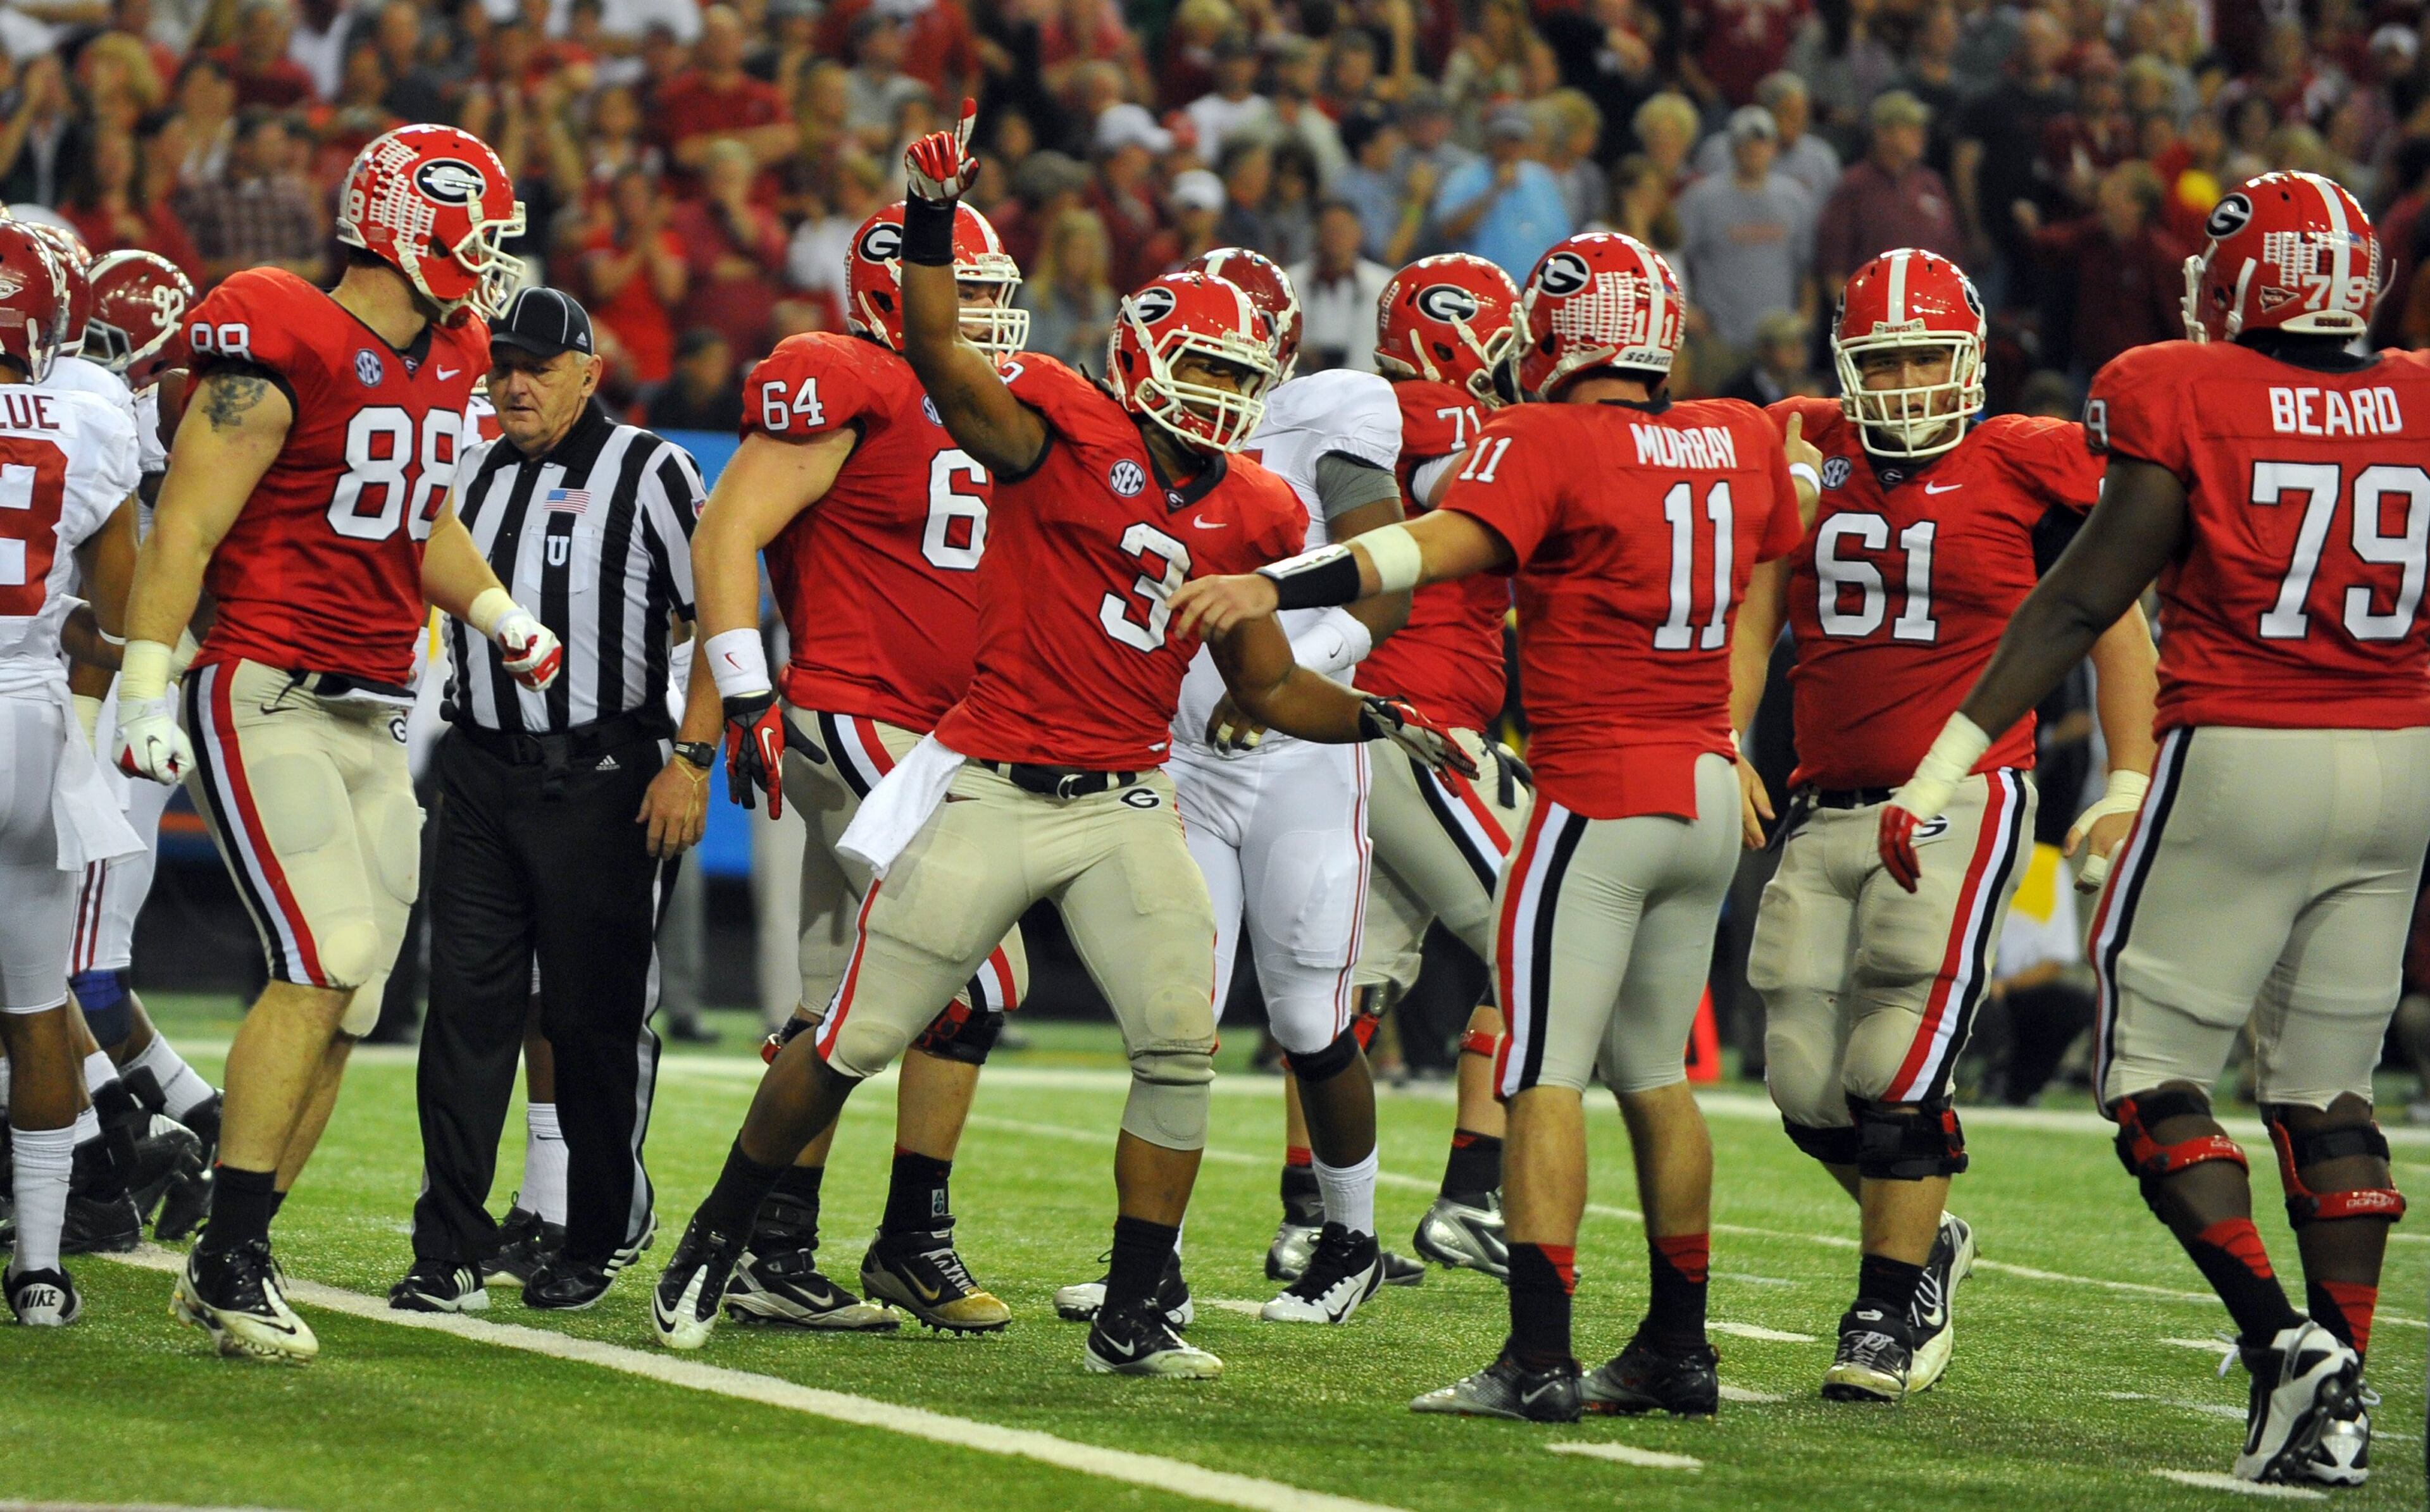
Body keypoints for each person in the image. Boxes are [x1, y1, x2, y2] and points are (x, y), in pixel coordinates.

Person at [652, 107, 1464, 1377]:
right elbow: (935, 344)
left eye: (1239, 383)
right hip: (991, 778)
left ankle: (1137, 1310)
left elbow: (1264, 686)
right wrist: (930, 215)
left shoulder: (1254, 502)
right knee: (859, 1032)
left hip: (1128, 798)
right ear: (1144, 355)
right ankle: (721, 1229)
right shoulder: (1052, 426)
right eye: (1198, 370)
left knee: (1178, 1044)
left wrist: (1387, 719)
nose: (1215, 400)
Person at [1169, 230, 1819, 1421]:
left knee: (1544, 1077)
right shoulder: (1736, 436)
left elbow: (1426, 549)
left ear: (1563, 333)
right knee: (1661, 1079)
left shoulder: (1542, 436)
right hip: (1707, 792)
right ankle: (1680, 1348)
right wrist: (1731, 723)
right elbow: (1778, 547)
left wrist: (1278, 584)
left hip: (1600, 793)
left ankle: (1537, 1358)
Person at [1877, 171, 2426, 1487]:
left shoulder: (2183, 384)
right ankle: (2336, 1385)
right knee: (2327, 1088)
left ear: (2254, 279)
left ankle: (2284, 1344)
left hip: (2245, 745)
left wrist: (1942, 763)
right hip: (2404, 759)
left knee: (2154, 1073)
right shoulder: (2418, 390)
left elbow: (2078, 602)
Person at [113, 124, 562, 1366]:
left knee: (357, 995)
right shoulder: (279, 327)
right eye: (476, 227)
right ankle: (231, 1256)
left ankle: (234, 1244)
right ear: (406, 220)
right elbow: (186, 527)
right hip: (265, 684)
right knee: (322, 957)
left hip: (375, 700)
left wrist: (500, 612)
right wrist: (149, 685)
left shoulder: (453, 348)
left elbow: (417, 520)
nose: (489, 258)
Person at [1729, 249, 2158, 1402]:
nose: (1910, 379)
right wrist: (1724, 733)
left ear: (1972, 359)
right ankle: (1927, 1238)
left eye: (1928, 355)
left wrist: (2129, 773)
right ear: (1844, 366)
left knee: (1893, 1058)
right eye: (1887, 359)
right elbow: (1754, 599)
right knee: (1803, 1083)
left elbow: (2109, 616)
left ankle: (1885, 1308)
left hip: (1968, 793)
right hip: (1826, 793)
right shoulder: (1799, 437)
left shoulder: (2028, 457)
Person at [688, 199, 1031, 1336]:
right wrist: (743, 686)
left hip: (954, 727)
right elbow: (729, 528)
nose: (985, 314)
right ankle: (911, 1238)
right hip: (869, 715)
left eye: (988, 292)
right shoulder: (846, 375)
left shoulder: (995, 403)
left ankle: (776, 1250)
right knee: (981, 977)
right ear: (897, 290)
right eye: (964, 291)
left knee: (835, 1001)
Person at [392, 285, 715, 1317]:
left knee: (593, 1021)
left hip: (604, 775)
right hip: (481, 769)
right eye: (500, 368)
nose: (513, 386)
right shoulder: (470, 469)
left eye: (535, 367)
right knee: (465, 1016)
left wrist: (693, 759)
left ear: (589, 370)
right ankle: (447, 1245)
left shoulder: (653, 470)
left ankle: (597, 1228)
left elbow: (721, 612)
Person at [1357, 251, 1532, 1279]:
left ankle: (1312, 1217)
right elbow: (1455, 491)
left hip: (1373, 721)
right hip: (1417, 726)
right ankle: (1473, 1194)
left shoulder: (1379, 411)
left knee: (1344, 990)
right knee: (1548, 936)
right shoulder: (1439, 419)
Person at [0, 223, 145, 1326]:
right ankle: (42, 1273)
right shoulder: (91, 416)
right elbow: (125, 619)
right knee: (37, 1010)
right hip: (34, 728)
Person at [1431, 104, 1571, 280]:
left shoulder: (1541, 179)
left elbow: (1560, 239)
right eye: (1504, 138)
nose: (1510, 146)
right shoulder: (1465, 177)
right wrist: (1495, 190)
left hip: (1534, 287)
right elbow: (1448, 231)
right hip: (1481, 285)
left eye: (1516, 139)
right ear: (1490, 139)